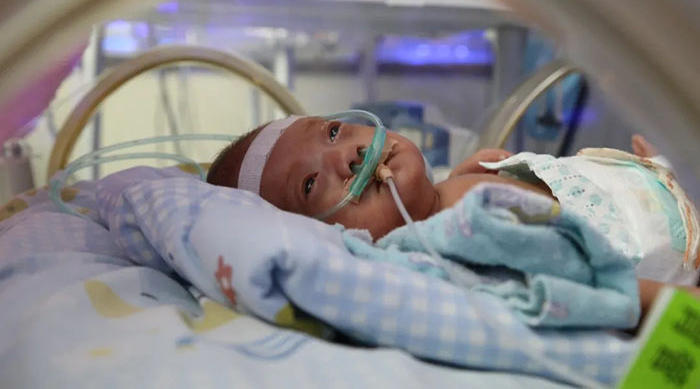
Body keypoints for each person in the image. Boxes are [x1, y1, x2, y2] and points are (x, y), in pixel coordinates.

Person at [207, 115, 700, 317]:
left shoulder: (446, 193)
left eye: (333, 131)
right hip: (670, 252)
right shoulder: (443, 245)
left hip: (648, 183)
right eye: (310, 185)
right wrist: (680, 306)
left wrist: (463, 177)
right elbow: (587, 288)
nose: (346, 155)